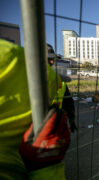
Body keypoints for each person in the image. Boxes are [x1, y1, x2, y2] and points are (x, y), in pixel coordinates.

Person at [0, 40, 71, 179]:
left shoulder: (57, 81)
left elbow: (68, 102)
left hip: (50, 126)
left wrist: (70, 119)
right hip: (40, 131)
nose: (51, 63)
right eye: (48, 59)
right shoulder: (25, 76)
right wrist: (46, 168)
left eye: (53, 60)